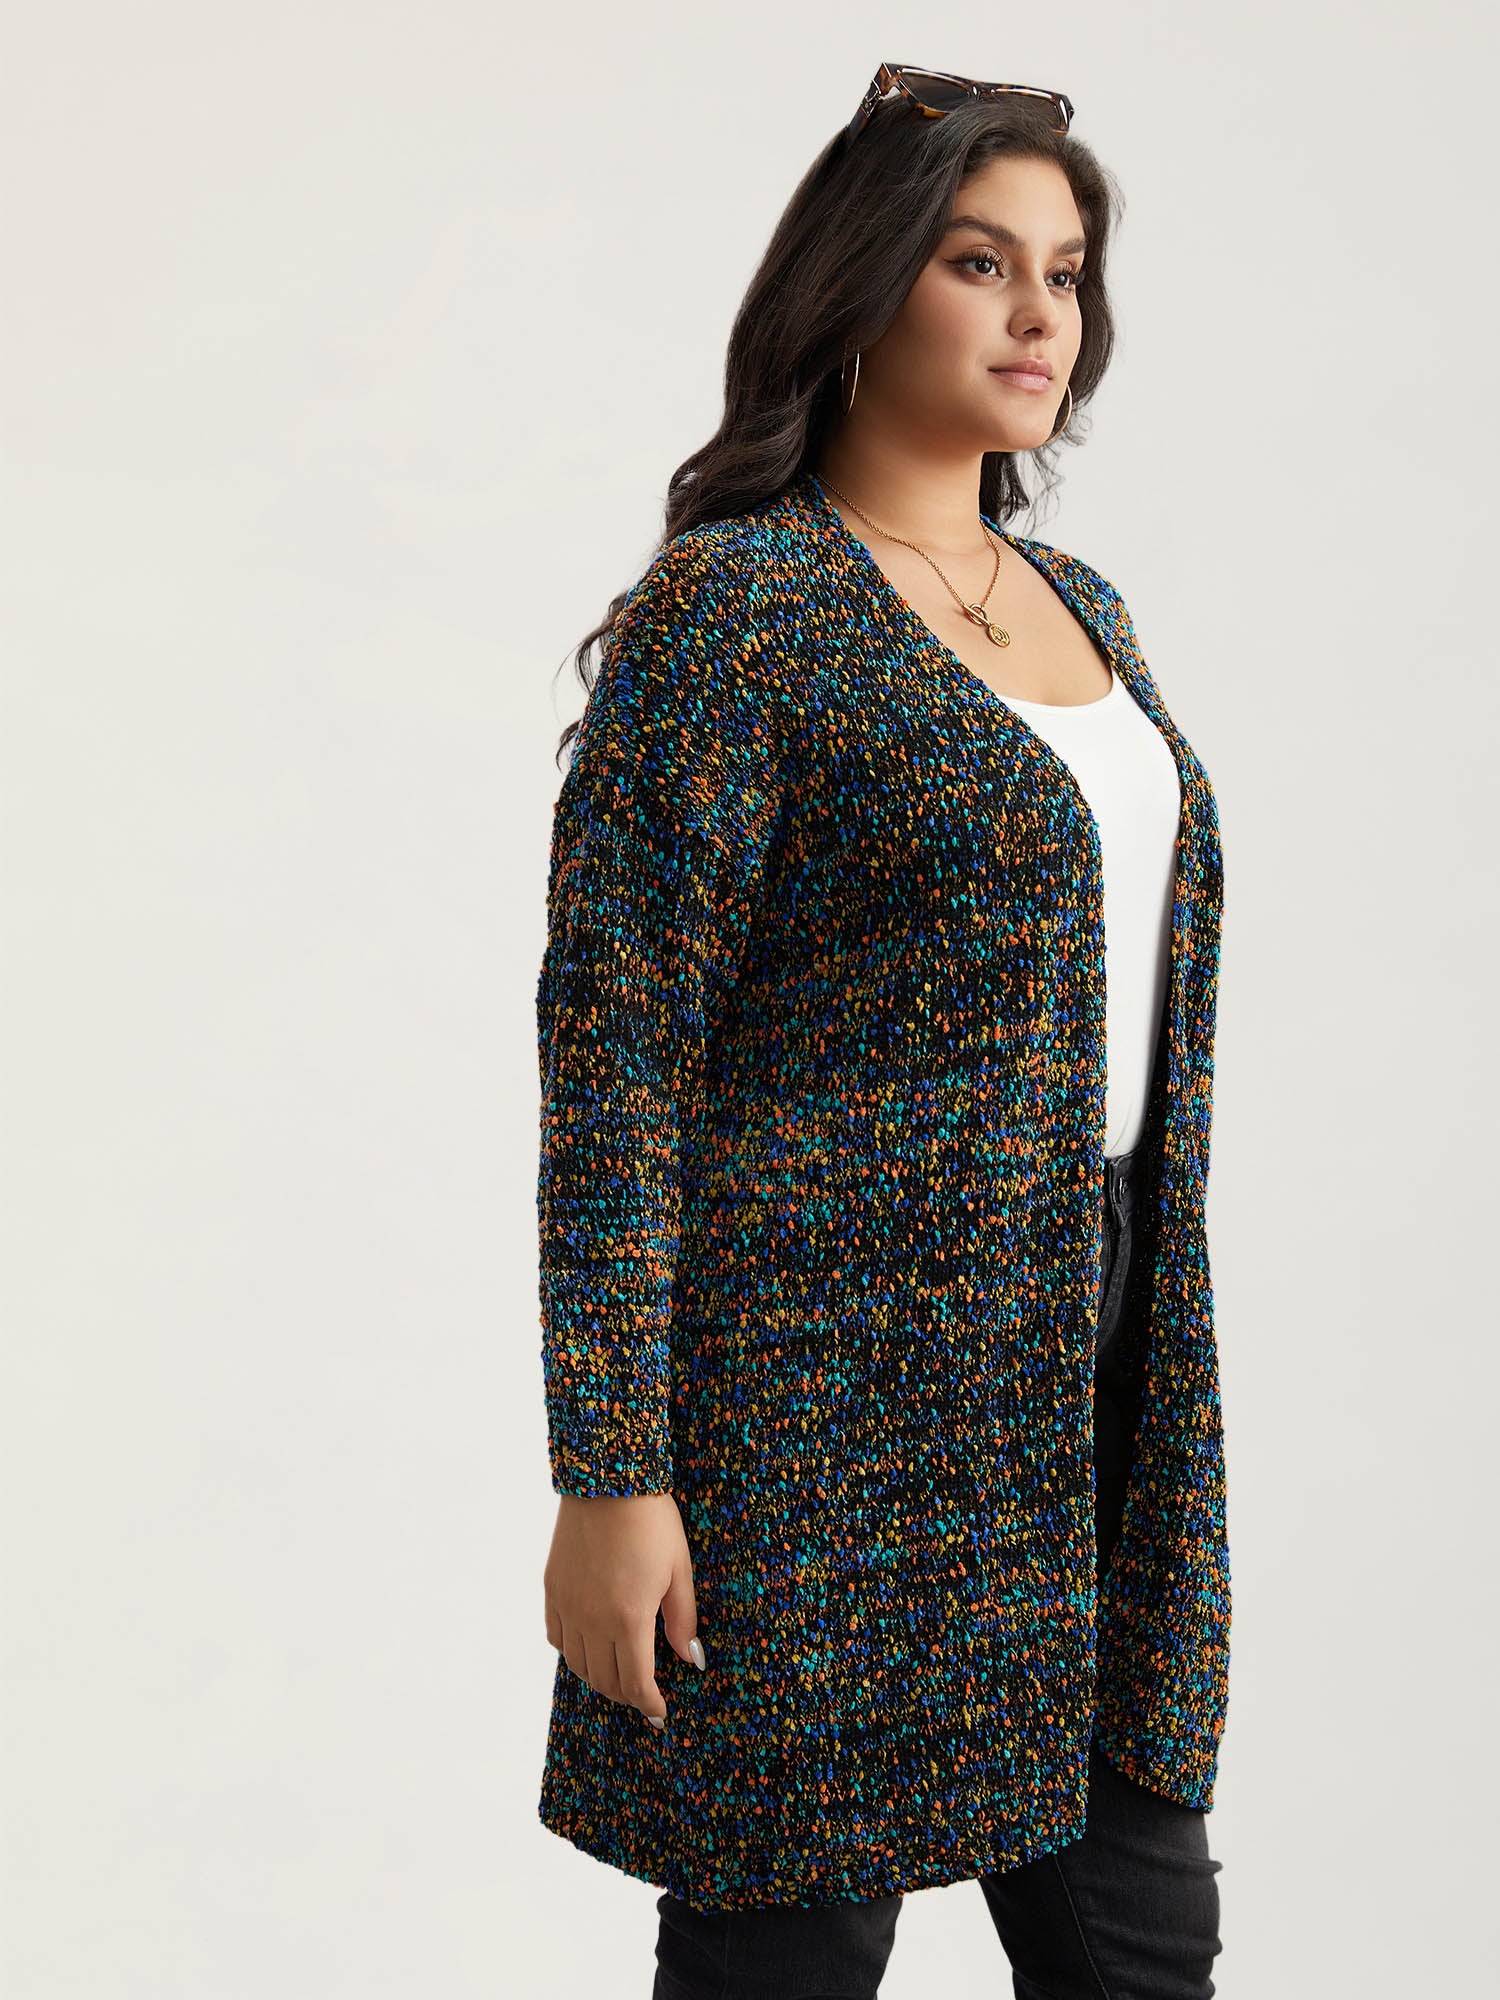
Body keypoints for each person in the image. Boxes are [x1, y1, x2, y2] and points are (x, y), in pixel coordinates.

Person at [535, 63, 1229, 1998]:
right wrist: (610, 1471)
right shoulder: (738, 611)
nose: (1039, 314)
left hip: (1097, 1372)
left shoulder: (1083, 606)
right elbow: (617, 1067)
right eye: (979, 262)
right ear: (860, 289)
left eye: (1065, 273)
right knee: (788, 1943)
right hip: (817, 1399)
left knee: (1142, 1942)